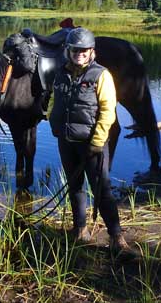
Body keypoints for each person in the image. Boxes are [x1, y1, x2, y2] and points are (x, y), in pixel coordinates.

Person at [48, 27, 129, 252]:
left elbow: (107, 111)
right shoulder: (61, 73)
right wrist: (50, 117)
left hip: (92, 143)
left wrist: (97, 141)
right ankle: (80, 229)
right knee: (75, 187)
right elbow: (55, 99)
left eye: (84, 50)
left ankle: (116, 237)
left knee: (102, 190)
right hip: (66, 140)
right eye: (75, 50)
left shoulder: (101, 75)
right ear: (69, 51)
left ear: (91, 51)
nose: (80, 53)